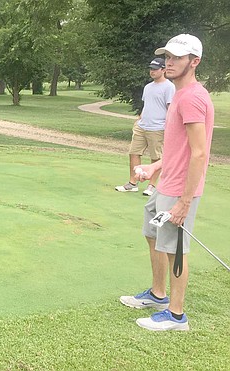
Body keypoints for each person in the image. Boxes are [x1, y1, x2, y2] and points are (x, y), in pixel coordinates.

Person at [119, 34, 214, 331]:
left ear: (194, 62)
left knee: (175, 249)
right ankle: (158, 294)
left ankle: (176, 315)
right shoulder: (179, 94)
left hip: (179, 190)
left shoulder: (194, 98)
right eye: (167, 57)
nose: (169, 62)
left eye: (177, 58)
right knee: (152, 233)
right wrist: (155, 165)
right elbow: (179, 148)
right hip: (165, 184)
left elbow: (199, 153)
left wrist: (185, 201)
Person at [115, 58, 175, 196]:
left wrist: (169, 129)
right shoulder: (148, 87)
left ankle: (152, 185)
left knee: (156, 158)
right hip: (142, 126)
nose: (152, 71)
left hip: (158, 128)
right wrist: (139, 119)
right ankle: (133, 183)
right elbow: (147, 106)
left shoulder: (169, 87)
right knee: (134, 153)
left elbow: (170, 109)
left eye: (155, 69)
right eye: (151, 69)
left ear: (164, 70)